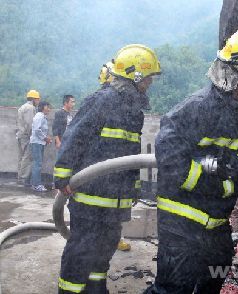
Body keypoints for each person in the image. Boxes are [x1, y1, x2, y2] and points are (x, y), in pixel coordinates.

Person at [146, 27, 238, 294]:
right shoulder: (196, 108)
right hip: (181, 222)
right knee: (173, 290)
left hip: (217, 222)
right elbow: (171, 163)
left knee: (212, 281)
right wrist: (215, 172)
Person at [54, 44, 161, 294]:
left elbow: (131, 157)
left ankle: (96, 287)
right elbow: (75, 136)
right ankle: (69, 291)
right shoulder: (102, 100)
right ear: (135, 77)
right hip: (91, 198)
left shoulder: (135, 112)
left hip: (116, 201)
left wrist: (132, 189)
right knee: (80, 252)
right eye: (148, 78)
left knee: (104, 249)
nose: (150, 83)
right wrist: (62, 177)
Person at [98, 61, 133, 252]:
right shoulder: (100, 102)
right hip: (101, 172)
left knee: (115, 210)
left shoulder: (126, 107)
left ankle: (114, 238)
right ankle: (108, 239)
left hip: (116, 172)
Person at [16, 90, 41, 186]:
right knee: (27, 157)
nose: (38, 101)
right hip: (26, 136)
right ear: (34, 99)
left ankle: (20, 177)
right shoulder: (30, 108)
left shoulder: (22, 107)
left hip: (20, 135)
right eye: (37, 99)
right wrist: (32, 135)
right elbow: (30, 124)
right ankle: (23, 179)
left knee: (21, 157)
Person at [30, 101, 52, 192]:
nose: (49, 109)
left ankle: (35, 182)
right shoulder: (39, 116)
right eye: (48, 107)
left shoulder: (42, 116)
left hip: (39, 142)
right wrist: (45, 138)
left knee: (38, 163)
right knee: (37, 164)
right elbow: (37, 130)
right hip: (37, 143)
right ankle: (36, 184)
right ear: (43, 107)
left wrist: (45, 139)